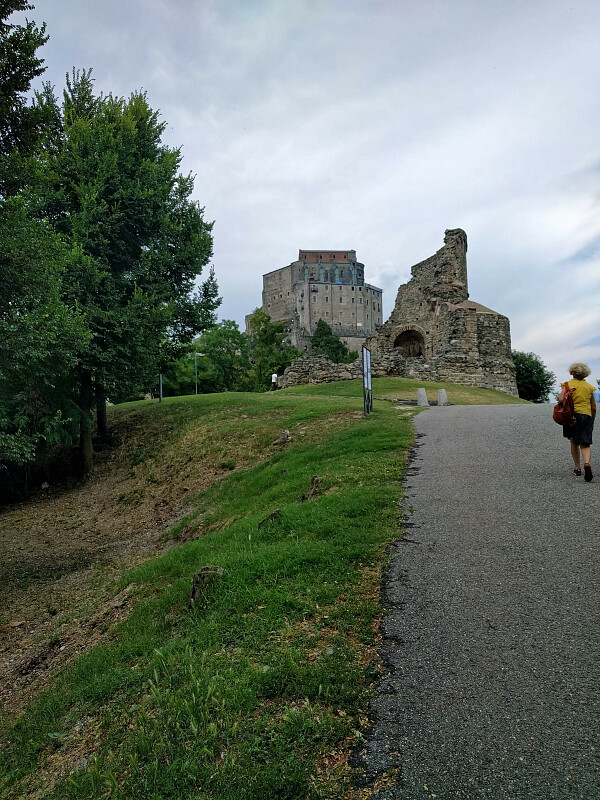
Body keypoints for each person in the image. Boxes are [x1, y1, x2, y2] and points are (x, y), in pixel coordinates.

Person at [561, 363, 596, 482]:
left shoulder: (567, 385)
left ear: (572, 372)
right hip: (586, 415)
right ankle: (587, 463)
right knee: (585, 443)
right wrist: (592, 420)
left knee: (573, 441)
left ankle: (577, 468)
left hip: (571, 416)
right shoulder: (589, 387)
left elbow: (561, 399)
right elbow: (593, 407)